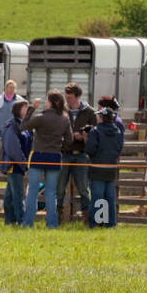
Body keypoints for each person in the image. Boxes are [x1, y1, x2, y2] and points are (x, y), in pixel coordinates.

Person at [20, 90, 69, 228]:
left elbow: (23, 126)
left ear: (50, 102)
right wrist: (58, 145)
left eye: (47, 100)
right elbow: (69, 140)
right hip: (54, 157)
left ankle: (28, 223)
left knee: (33, 191)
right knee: (51, 192)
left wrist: (32, 109)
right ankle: (52, 224)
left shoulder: (40, 117)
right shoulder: (65, 119)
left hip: (38, 156)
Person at [57, 82, 97, 225]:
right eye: (66, 97)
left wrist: (84, 136)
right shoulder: (61, 111)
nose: (67, 100)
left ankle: (88, 218)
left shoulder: (90, 112)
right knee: (60, 187)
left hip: (81, 153)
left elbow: (95, 131)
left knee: (83, 189)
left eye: (70, 97)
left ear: (78, 96)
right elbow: (55, 129)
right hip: (65, 153)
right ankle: (58, 217)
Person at [85, 105, 124, 228]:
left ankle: (97, 223)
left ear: (101, 117)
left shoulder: (95, 131)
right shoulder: (117, 131)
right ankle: (110, 223)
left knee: (97, 196)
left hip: (97, 168)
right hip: (111, 168)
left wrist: (86, 138)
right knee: (109, 198)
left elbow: (90, 149)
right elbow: (119, 148)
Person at [0, 98, 32, 226]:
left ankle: (9, 220)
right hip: (14, 165)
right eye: (24, 107)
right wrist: (23, 162)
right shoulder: (11, 125)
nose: (26, 110)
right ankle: (20, 220)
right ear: (18, 109)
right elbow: (12, 148)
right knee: (18, 193)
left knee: (10, 194)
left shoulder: (24, 124)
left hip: (20, 165)